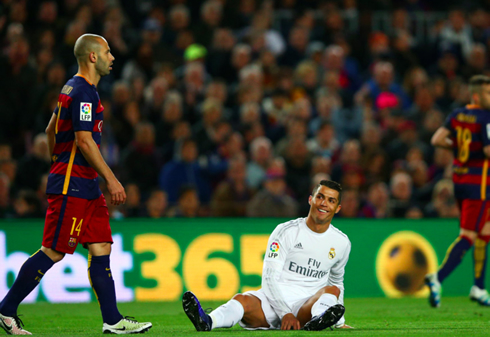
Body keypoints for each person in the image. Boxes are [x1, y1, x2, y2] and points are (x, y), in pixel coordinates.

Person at [0, 34, 152, 335]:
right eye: (107, 52)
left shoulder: (70, 86)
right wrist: (111, 179)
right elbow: (84, 141)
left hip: (84, 184)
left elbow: (49, 129)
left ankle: (112, 320)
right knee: (54, 250)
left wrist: (57, 156)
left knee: (101, 246)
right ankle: (6, 311)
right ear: (93, 57)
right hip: (74, 185)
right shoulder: (84, 92)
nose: (112, 57)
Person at [183, 180, 352, 331]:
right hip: (273, 303)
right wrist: (285, 312)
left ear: (337, 208)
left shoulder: (341, 242)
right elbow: (269, 277)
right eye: (320, 197)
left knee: (332, 289)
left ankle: (318, 320)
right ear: (310, 199)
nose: (324, 204)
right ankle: (207, 322)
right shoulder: (285, 231)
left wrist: (339, 321)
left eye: (331, 200)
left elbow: (337, 282)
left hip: (307, 306)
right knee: (242, 299)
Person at [425, 75, 490, 308]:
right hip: (479, 186)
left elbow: (437, 139)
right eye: (487, 93)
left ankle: (479, 287)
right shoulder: (485, 118)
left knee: (485, 232)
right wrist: (476, 149)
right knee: (468, 236)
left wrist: (463, 148)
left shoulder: (456, 115)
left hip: (461, 180)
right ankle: (437, 278)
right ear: (476, 95)